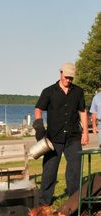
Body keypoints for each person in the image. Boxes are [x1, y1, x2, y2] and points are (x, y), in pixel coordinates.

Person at [33, 62, 89, 206]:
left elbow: (82, 111)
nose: (68, 80)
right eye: (66, 77)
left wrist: (85, 133)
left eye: (71, 78)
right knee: (49, 171)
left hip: (73, 137)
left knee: (75, 171)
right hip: (53, 138)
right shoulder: (49, 91)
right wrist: (39, 125)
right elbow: (38, 109)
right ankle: (44, 202)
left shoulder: (78, 92)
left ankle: (74, 200)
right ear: (60, 73)